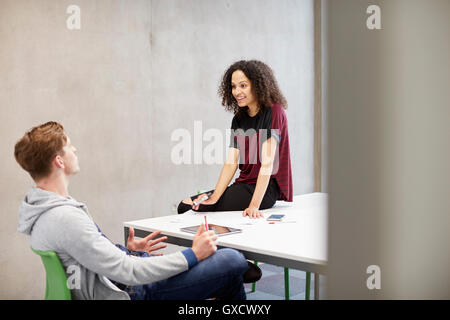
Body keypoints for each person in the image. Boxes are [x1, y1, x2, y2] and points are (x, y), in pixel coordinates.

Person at [15, 121, 249, 300]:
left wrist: (124, 251)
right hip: (130, 291)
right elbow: (129, 272)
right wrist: (193, 254)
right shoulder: (64, 217)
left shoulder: (45, 210)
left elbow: (90, 255)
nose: (74, 149)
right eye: (68, 146)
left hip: (117, 279)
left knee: (231, 278)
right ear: (59, 161)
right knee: (232, 260)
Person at [177, 60, 293, 218]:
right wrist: (214, 197)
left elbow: (267, 163)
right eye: (233, 86)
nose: (237, 91)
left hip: (264, 191)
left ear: (257, 85)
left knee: (193, 209)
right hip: (243, 184)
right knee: (184, 205)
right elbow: (231, 163)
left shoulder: (274, 111)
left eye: (243, 85)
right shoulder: (239, 119)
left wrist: (254, 206)